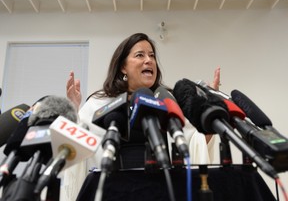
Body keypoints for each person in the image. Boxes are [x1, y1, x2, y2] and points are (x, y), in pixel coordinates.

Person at [63, 33, 221, 201]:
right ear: (123, 66)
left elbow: (196, 142)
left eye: (152, 55)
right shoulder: (99, 103)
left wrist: (208, 112)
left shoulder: (167, 99)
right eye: (140, 55)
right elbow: (77, 144)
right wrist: (74, 111)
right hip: (115, 193)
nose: (149, 60)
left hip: (164, 191)